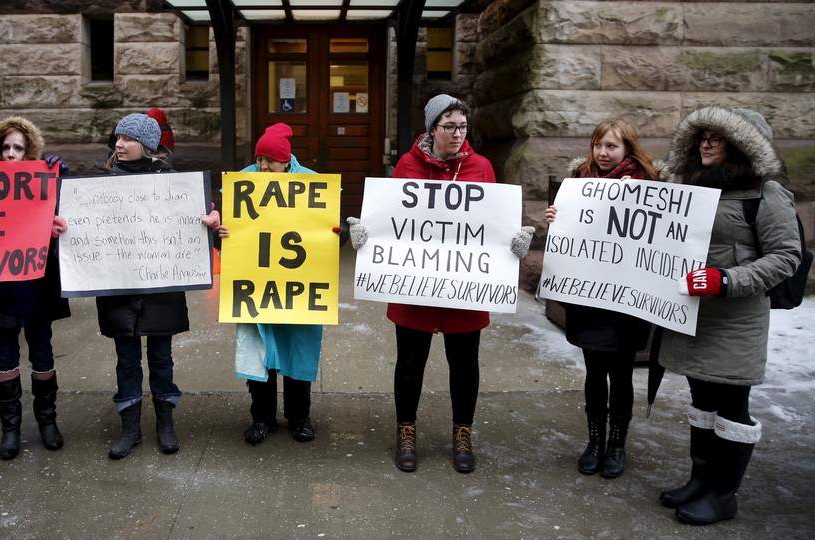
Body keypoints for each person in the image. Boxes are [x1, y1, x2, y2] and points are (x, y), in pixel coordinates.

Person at [351, 95, 532, 473]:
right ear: (431, 128)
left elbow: (494, 227)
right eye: (449, 126)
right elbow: (391, 221)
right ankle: (406, 430)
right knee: (410, 362)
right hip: (413, 286)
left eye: (462, 127)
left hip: (464, 288)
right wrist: (367, 236)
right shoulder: (407, 165)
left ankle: (462, 434)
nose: (457, 134)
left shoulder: (481, 167)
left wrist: (514, 244)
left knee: (465, 363)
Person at [659, 106, 801, 525]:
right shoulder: (691, 188)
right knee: (701, 401)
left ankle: (723, 495)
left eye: (716, 137)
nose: (705, 143)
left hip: (736, 319)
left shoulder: (766, 193)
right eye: (701, 136)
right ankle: (700, 481)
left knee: (731, 404)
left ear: (740, 145)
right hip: (694, 314)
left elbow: (786, 257)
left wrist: (725, 280)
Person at [97, 113, 220, 459]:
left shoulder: (174, 185)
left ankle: (166, 423)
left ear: (148, 146)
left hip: (161, 289)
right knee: (126, 359)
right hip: (120, 289)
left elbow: (199, 221)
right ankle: (130, 427)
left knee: (161, 358)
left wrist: (210, 220)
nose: (119, 145)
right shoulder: (102, 186)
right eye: (117, 138)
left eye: (128, 139)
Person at [544, 118, 661, 479]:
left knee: (621, 373)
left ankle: (618, 444)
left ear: (628, 149)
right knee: (595, 370)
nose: (603, 153)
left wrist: (636, 201)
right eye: (598, 145)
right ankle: (595, 441)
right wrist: (556, 218)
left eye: (611, 146)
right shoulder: (579, 182)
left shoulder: (650, 186)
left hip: (625, 300)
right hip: (589, 297)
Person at [224, 123, 335, 445]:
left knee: (298, 348)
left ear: (286, 161)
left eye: (269, 160)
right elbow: (230, 230)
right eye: (259, 159)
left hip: (296, 287)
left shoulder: (312, 185)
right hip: (257, 285)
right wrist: (221, 234)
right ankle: (262, 418)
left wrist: (337, 234)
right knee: (260, 351)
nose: (262, 166)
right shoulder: (242, 183)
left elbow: (324, 233)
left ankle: (300, 417)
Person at [0, 116, 72, 460]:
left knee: (42, 355)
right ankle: (11, 430)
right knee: (4, 361)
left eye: (19, 147)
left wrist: (62, 177)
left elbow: (70, 211)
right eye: (6, 147)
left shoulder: (45, 181)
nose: (12, 154)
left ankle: (48, 422)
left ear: (29, 150)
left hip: (35, 288)